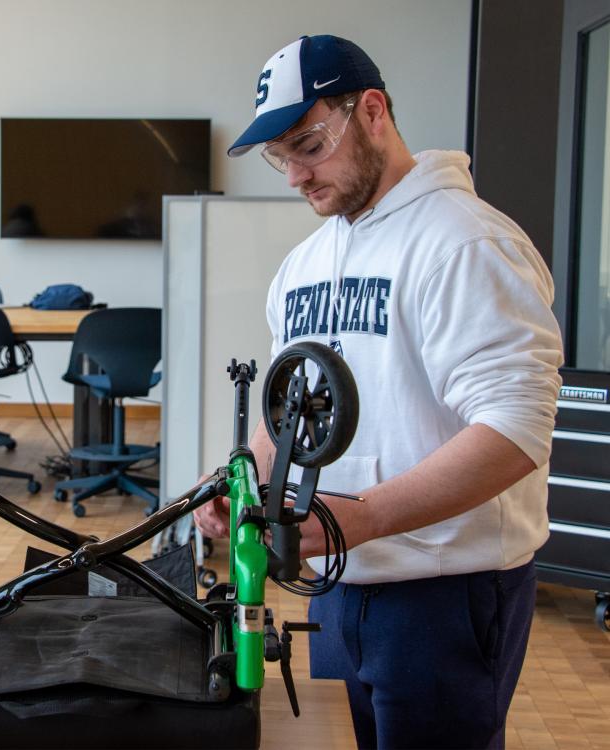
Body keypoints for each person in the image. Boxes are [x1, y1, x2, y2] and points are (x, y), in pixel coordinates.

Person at [194, 35, 563, 749]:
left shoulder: (465, 242)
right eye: (282, 158)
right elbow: (289, 409)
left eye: (309, 145)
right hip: (338, 582)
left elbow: (518, 427)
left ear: (372, 112)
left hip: (446, 592)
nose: (297, 176)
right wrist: (242, 480)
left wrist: (359, 517)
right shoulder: (304, 264)